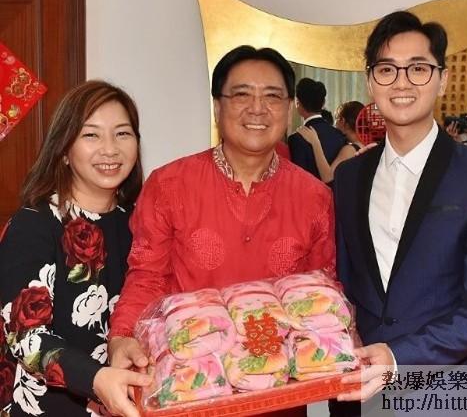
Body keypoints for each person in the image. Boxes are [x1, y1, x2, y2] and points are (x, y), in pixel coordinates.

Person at [108, 46, 335, 417]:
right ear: (217, 106)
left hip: (277, 394)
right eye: (242, 95)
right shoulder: (169, 185)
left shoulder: (315, 198)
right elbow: (147, 277)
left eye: (272, 96)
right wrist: (121, 338)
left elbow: (319, 293)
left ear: (289, 108)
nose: (257, 109)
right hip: (189, 388)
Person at [332, 11, 467, 409]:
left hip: (445, 393)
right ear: (370, 81)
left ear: (442, 80)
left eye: (418, 68)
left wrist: (399, 358)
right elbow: (345, 283)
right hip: (358, 391)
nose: (401, 83)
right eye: (387, 69)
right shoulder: (348, 177)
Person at [0, 80, 151, 417]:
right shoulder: (34, 225)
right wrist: (96, 379)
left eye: (122, 134)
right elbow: (26, 338)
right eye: (91, 135)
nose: (110, 149)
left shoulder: (141, 223)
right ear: (64, 149)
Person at [288, 78, 347, 179]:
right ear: (323, 103)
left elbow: (299, 178)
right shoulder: (339, 135)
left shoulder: (296, 138)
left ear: (298, 104)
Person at [296, 100, 365, 183]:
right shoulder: (365, 145)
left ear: (343, 121)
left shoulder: (350, 150)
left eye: (336, 119)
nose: (334, 125)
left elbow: (328, 177)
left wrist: (315, 142)